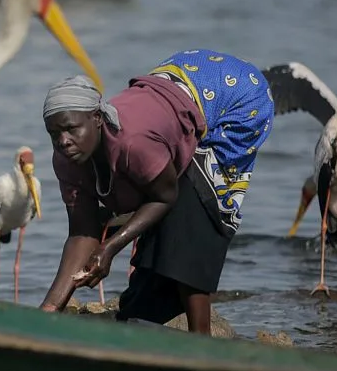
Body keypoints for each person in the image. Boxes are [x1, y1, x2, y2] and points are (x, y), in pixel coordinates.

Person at [39, 49, 275, 334]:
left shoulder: (132, 142)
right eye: (54, 134)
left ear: (98, 118)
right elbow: (81, 233)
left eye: (71, 129)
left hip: (237, 94)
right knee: (162, 213)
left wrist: (110, 247)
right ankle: (148, 308)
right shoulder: (66, 160)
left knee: (193, 206)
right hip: (175, 86)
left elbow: (165, 196)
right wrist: (48, 311)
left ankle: (201, 340)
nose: (63, 141)